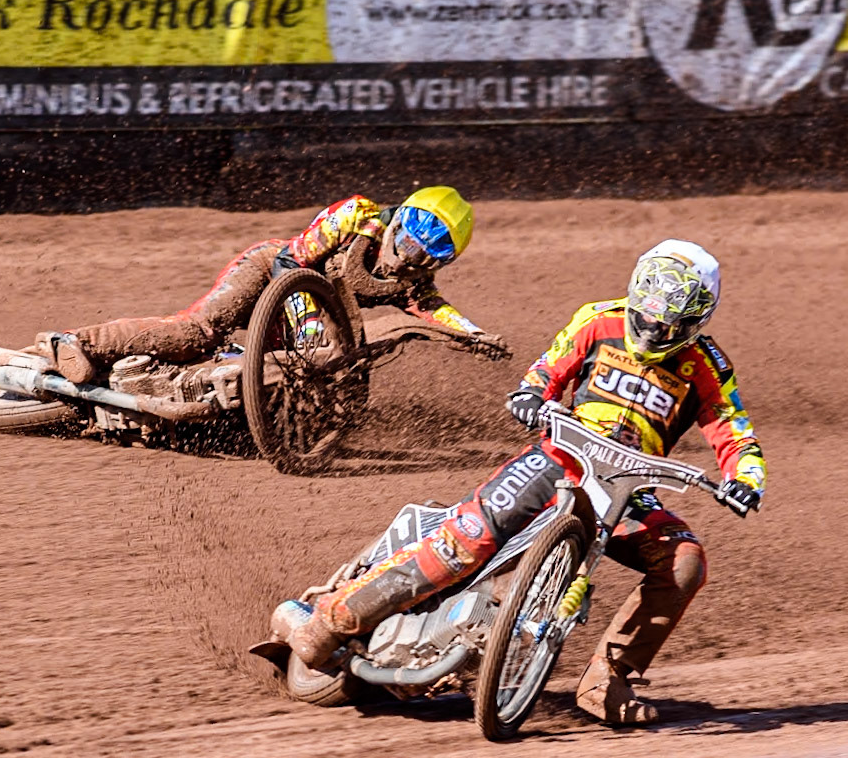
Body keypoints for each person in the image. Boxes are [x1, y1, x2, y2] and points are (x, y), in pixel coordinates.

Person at [286, 239, 766, 725]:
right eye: (647, 316)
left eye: (669, 324)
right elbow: (547, 368)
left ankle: (608, 678)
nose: (654, 329)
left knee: (685, 562)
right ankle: (335, 616)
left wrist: (745, 478)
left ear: (695, 321)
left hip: (626, 494)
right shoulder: (599, 319)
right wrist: (532, 394)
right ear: (636, 296)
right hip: (556, 460)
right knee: (466, 542)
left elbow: (736, 432)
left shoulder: (707, 366)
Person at [27, 186, 511, 383]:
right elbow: (292, 259)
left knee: (330, 373)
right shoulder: (356, 215)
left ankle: (223, 384)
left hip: (309, 315)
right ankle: (75, 341)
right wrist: (305, 328)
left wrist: (475, 335)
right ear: (397, 220)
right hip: (270, 272)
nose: (408, 256)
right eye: (407, 240)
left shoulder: (414, 284)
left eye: (429, 253)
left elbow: (439, 313)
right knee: (200, 331)